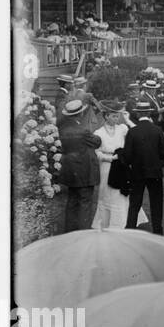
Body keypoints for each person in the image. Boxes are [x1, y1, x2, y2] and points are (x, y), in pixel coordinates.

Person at [122, 100, 164, 234]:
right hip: (155, 172)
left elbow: (127, 155)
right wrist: (156, 159)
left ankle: (130, 229)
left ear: (137, 115)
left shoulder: (133, 132)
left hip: (137, 172)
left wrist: (132, 163)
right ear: (149, 113)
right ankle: (158, 231)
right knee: (156, 203)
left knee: (135, 202)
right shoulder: (157, 130)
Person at [56, 99, 101, 233]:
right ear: (80, 114)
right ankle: (83, 234)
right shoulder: (83, 130)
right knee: (85, 204)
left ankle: (69, 232)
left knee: (72, 202)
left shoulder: (62, 129)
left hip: (70, 169)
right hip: (84, 170)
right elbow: (97, 142)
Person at [91, 100, 131, 230]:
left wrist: (127, 119)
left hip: (120, 166)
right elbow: (96, 152)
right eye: (113, 116)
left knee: (120, 192)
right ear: (106, 116)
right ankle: (105, 223)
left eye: (118, 116)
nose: (117, 118)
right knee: (107, 192)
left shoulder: (123, 128)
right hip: (106, 167)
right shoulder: (98, 133)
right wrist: (109, 158)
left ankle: (121, 223)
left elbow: (137, 132)